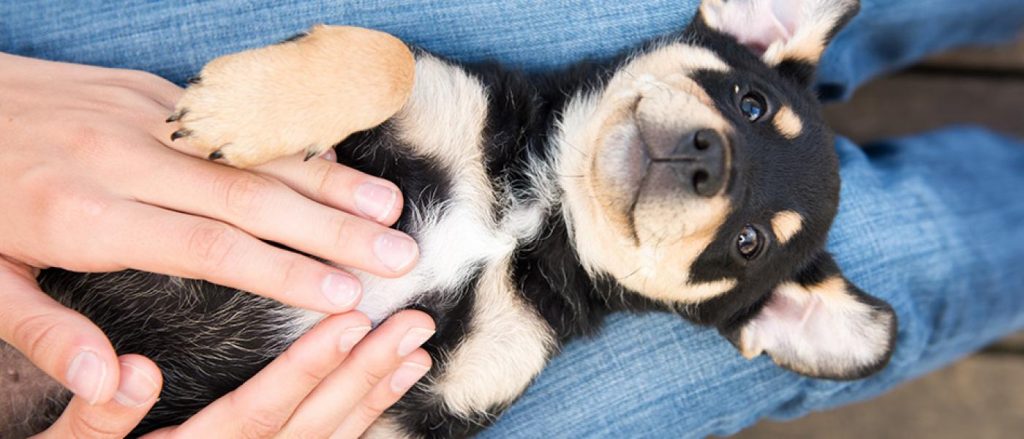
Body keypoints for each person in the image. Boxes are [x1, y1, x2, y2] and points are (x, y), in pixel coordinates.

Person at [1, 0, 1022, 437]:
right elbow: (382, 80)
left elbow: (393, 86)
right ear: (746, 29)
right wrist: (353, 73)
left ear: (753, 309)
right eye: (750, 105)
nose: (723, 161)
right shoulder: (460, 117)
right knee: (888, 251)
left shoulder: (513, 326)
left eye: (746, 240)